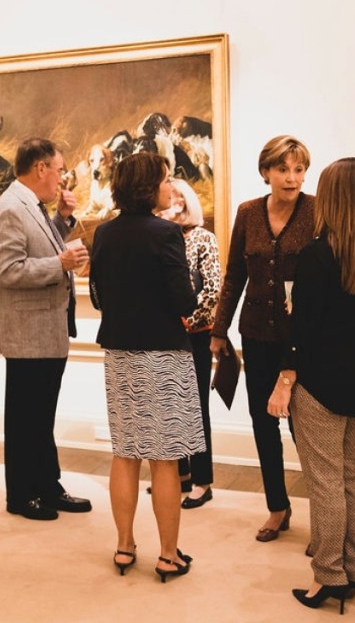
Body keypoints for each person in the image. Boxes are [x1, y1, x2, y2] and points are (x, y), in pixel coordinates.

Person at [267, 157, 355, 612]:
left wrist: (284, 380)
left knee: (325, 483)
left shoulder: (318, 256)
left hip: (321, 385)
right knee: (352, 480)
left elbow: (303, 333)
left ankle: (329, 577)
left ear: (332, 200)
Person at [90, 152, 204, 582]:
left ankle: (124, 548)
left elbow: (98, 296)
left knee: (125, 453)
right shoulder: (166, 233)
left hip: (119, 354)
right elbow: (185, 301)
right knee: (165, 460)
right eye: (165, 179)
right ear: (147, 187)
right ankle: (168, 555)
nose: (170, 186)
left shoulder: (103, 234)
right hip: (163, 356)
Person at [210, 135, 314, 541]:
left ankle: (325, 516)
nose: (292, 178)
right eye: (283, 169)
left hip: (302, 339)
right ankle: (277, 507)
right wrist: (220, 330)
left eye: (299, 169)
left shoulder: (317, 210)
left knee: (304, 427)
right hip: (255, 335)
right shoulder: (249, 212)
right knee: (262, 422)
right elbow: (234, 274)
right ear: (266, 172)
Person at [0, 137, 92, 521]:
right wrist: (61, 264)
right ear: (41, 168)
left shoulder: (32, 205)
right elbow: (7, 271)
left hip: (44, 327)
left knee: (41, 415)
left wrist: (62, 220)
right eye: (60, 169)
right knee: (26, 418)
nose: (62, 178)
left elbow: (40, 248)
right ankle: (21, 494)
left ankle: (47, 486)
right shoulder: (11, 208)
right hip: (28, 330)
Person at [159, 179, 221, 509]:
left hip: (194, 336)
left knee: (196, 409)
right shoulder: (158, 237)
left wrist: (186, 320)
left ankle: (202, 480)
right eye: (171, 196)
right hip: (164, 337)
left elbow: (212, 290)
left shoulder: (202, 238)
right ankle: (177, 478)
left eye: (181, 195)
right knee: (170, 408)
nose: (176, 201)